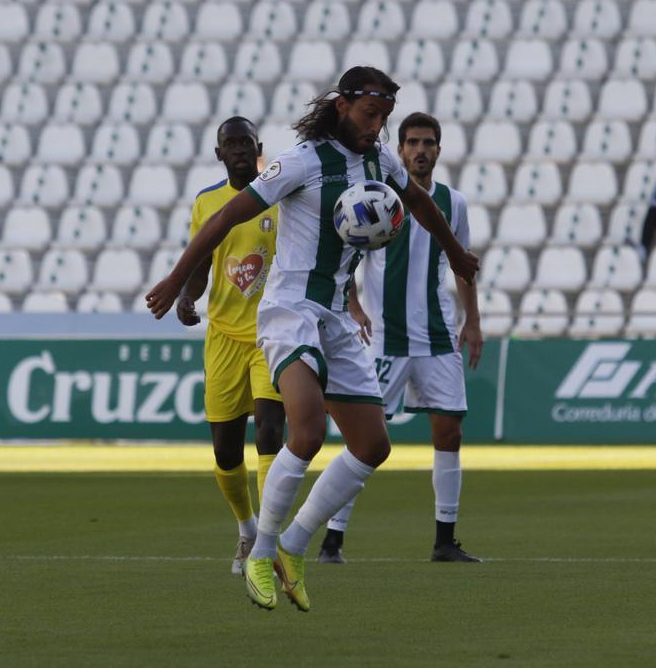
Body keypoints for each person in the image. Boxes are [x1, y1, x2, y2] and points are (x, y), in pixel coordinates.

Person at [146, 67, 479, 613]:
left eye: (385, 117)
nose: (378, 127)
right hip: (290, 310)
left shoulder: (380, 161)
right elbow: (229, 215)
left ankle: (294, 546)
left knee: (373, 446)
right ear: (343, 106)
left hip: (336, 317)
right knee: (303, 430)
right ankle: (261, 548)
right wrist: (177, 277)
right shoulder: (302, 160)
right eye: (372, 115)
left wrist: (456, 254)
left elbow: (418, 202)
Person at [318, 112, 484, 565]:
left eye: (428, 142)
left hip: (435, 335)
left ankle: (444, 541)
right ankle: (332, 540)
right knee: (363, 440)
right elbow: (342, 253)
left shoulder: (454, 203)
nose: (420, 150)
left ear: (438, 149)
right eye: (412, 142)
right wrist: (352, 304)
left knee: (449, 431)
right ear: (401, 149)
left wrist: (472, 320)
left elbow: (461, 264)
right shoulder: (378, 199)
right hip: (385, 339)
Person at [178, 117, 286, 576]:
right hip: (223, 335)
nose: (240, 149)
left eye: (246, 142)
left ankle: (268, 540)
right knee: (225, 450)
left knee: (268, 431)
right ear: (219, 154)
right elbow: (202, 260)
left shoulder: (282, 196)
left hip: (271, 333)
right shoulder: (206, 203)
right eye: (231, 144)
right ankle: (246, 527)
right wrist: (187, 294)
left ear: (259, 147)